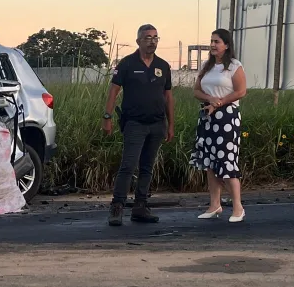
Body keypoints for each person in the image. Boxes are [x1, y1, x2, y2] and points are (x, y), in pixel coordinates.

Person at [102, 24, 175, 226]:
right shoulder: (126, 64)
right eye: (147, 38)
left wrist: (171, 125)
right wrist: (107, 117)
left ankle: (140, 207)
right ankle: (117, 207)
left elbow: (168, 97)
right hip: (134, 123)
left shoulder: (163, 66)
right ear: (138, 41)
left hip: (156, 124)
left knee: (147, 167)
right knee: (128, 166)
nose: (152, 41)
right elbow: (113, 92)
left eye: (155, 38)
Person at [189, 28, 247, 222]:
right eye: (212, 41)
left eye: (217, 41)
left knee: (226, 161)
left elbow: (240, 91)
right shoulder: (207, 66)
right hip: (207, 116)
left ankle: (238, 207)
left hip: (227, 117)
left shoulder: (234, 66)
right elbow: (197, 90)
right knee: (210, 163)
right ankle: (215, 205)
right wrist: (210, 99)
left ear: (227, 45)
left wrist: (219, 103)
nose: (213, 45)